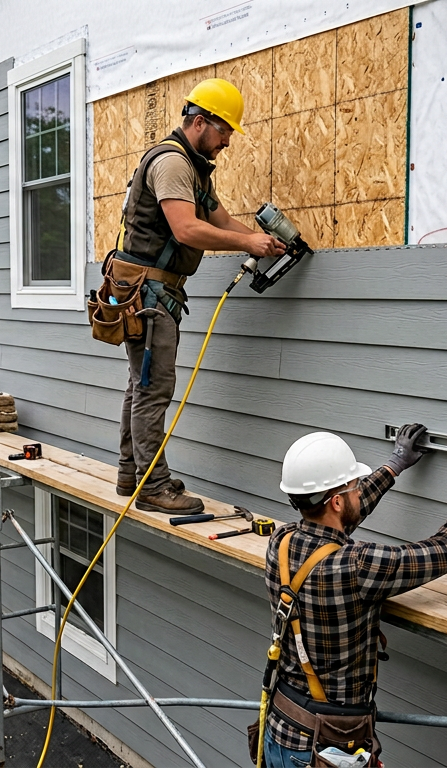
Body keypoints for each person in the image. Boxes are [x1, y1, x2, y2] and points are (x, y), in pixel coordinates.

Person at [257, 425, 447, 767]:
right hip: (324, 748)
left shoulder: (280, 542)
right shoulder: (357, 566)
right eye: (355, 488)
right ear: (335, 501)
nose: (360, 492)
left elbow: (340, 519)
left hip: (281, 729)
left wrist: (394, 465)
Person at [110, 78, 286, 514]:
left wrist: (267, 241)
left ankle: (131, 473)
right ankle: (153, 487)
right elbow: (187, 229)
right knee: (153, 387)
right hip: (148, 292)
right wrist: (248, 247)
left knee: (141, 384)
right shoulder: (172, 164)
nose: (227, 141)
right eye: (224, 130)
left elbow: (218, 218)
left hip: (151, 289)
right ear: (201, 121)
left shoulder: (193, 166)